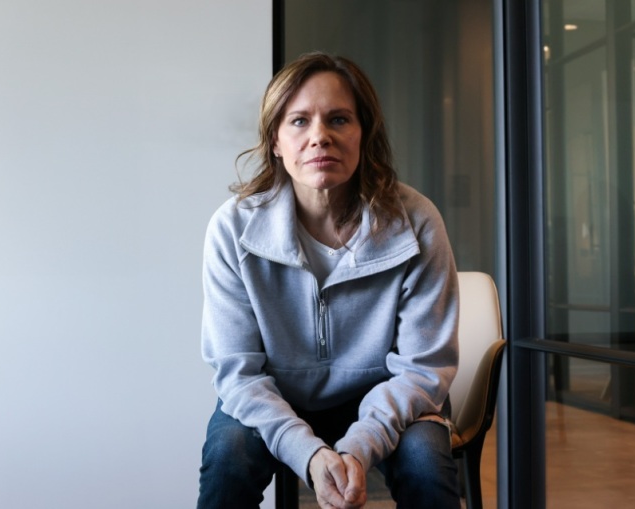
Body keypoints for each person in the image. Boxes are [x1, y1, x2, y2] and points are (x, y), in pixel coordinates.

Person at [197, 52, 460, 509]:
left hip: (387, 395)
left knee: (425, 461)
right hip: (275, 396)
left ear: (364, 133)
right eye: (299, 121)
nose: (320, 136)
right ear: (275, 140)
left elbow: (422, 370)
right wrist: (310, 454)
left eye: (339, 119)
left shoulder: (417, 222)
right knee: (228, 456)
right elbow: (238, 373)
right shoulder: (232, 228)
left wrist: (359, 446)